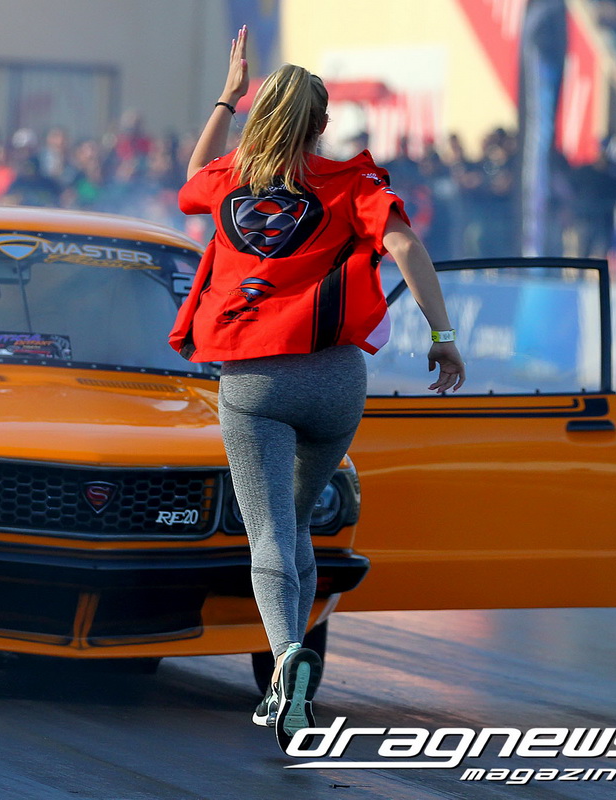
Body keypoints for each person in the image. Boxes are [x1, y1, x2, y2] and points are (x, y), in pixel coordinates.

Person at [169, 26, 465, 753]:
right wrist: (441, 335)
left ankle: (285, 663)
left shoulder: (229, 179)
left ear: (260, 115)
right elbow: (406, 245)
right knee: (297, 522)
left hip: (256, 380)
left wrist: (227, 96)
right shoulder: (354, 185)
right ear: (324, 123)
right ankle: (293, 685)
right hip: (336, 381)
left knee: (268, 532)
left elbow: (190, 177)